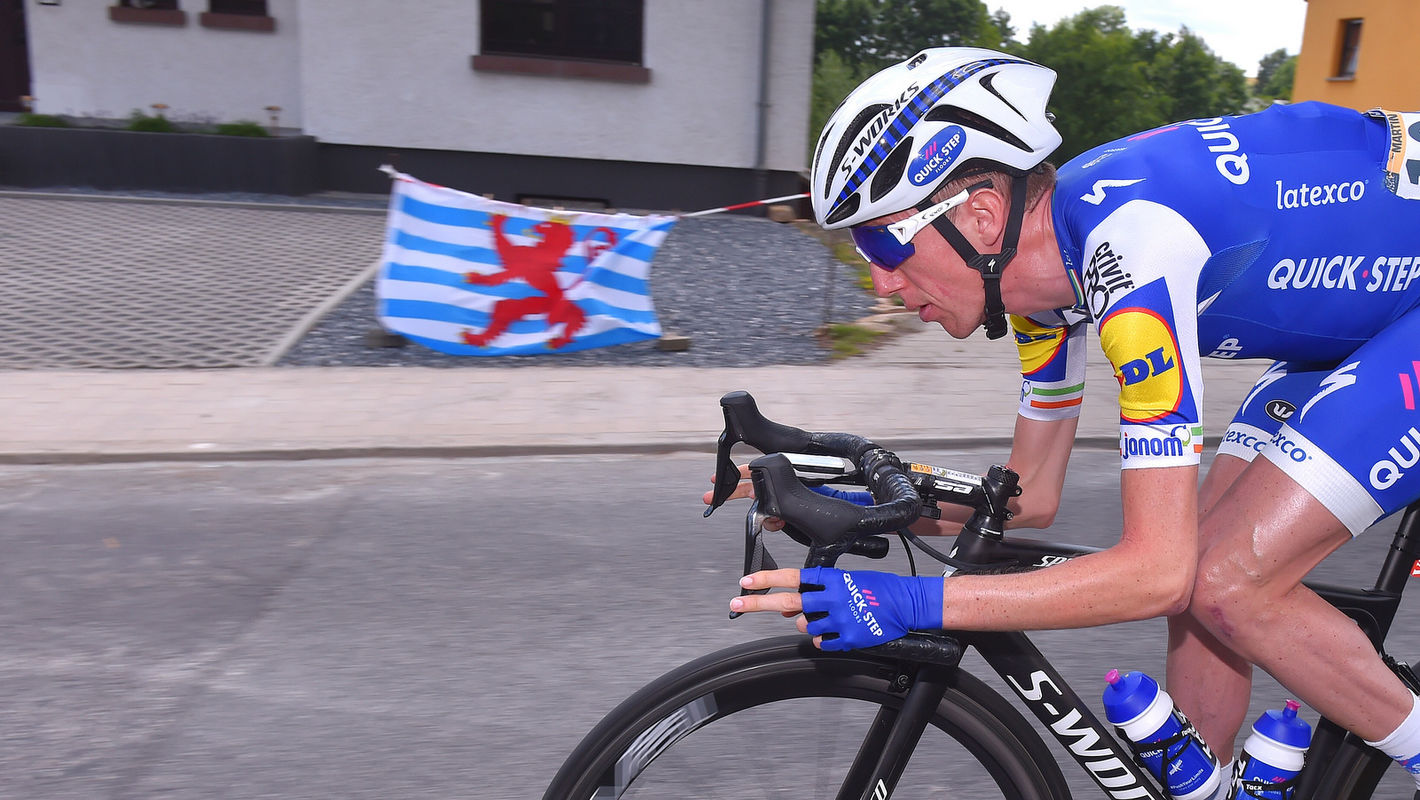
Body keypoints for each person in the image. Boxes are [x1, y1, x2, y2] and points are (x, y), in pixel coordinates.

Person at [713, 46, 1420, 798]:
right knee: (1209, 574)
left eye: (885, 243)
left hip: (1385, 328)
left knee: (1219, 580)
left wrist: (912, 601)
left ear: (979, 217)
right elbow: (1031, 495)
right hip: (1349, 337)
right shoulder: (1039, 292)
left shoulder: (1134, 250)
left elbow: (1155, 572)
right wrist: (850, 503)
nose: (879, 281)